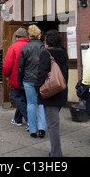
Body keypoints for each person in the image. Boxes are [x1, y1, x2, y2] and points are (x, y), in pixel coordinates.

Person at [35, 29, 69, 157]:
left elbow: (41, 74)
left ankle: (56, 153)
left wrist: (38, 88)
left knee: (53, 125)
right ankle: (55, 151)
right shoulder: (64, 54)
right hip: (61, 92)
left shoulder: (46, 54)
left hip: (49, 94)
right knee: (53, 122)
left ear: (48, 42)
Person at [18, 25, 46, 138]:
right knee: (42, 103)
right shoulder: (43, 47)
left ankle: (33, 130)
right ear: (39, 36)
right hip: (41, 79)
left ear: (29, 36)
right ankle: (42, 128)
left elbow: (20, 67)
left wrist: (20, 81)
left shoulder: (25, 48)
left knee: (30, 103)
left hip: (28, 79)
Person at [3, 27, 29, 128]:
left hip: (16, 78)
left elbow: (7, 64)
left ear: (16, 36)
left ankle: (30, 120)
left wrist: (5, 75)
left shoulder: (13, 47)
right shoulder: (29, 45)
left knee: (18, 98)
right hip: (28, 78)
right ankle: (17, 119)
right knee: (22, 99)